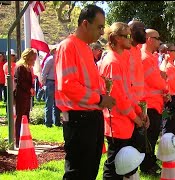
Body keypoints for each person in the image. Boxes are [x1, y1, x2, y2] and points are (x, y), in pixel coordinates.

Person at [55, 5, 116, 180]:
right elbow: (67, 85)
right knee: (78, 172)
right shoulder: (68, 46)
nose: (102, 32)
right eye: (99, 27)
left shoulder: (86, 48)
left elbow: (84, 83)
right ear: (84, 24)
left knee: (89, 170)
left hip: (91, 116)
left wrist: (102, 93)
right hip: (78, 119)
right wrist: (99, 98)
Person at [100, 22, 147, 180]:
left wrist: (139, 112)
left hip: (126, 121)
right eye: (126, 36)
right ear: (116, 39)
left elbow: (129, 92)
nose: (130, 38)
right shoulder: (112, 63)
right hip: (117, 123)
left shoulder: (121, 60)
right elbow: (118, 99)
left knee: (124, 164)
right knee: (114, 166)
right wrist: (136, 118)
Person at [140, 29, 167, 175]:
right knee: (149, 137)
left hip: (155, 103)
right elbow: (155, 80)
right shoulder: (145, 58)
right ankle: (147, 166)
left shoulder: (150, 57)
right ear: (149, 39)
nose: (159, 42)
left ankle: (151, 163)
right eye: (157, 39)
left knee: (152, 136)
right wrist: (165, 85)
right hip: (149, 104)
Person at [14, 48, 37, 148]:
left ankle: (25, 138)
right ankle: (18, 140)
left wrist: (31, 88)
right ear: (28, 58)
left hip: (26, 95)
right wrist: (29, 89)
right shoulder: (20, 67)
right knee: (20, 117)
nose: (34, 61)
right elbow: (20, 81)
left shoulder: (27, 68)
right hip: (20, 95)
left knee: (26, 117)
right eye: (33, 59)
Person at [41, 45, 61, 127]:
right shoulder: (52, 59)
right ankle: (53, 122)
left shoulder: (51, 59)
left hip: (53, 82)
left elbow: (44, 72)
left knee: (51, 103)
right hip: (52, 82)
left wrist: (43, 83)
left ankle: (51, 122)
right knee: (53, 104)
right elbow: (44, 73)